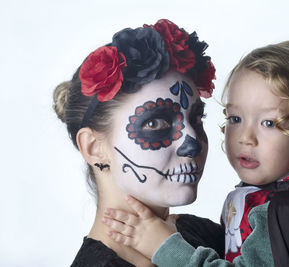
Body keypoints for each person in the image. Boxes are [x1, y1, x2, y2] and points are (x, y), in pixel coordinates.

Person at [101, 41, 289, 266]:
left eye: (269, 123)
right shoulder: (277, 199)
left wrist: (166, 247)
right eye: (235, 118)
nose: (246, 138)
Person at [53, 19, 224, 266]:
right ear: (94, 148)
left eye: (197, 118)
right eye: (155, 124)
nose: (193, 142)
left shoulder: (206, 237)